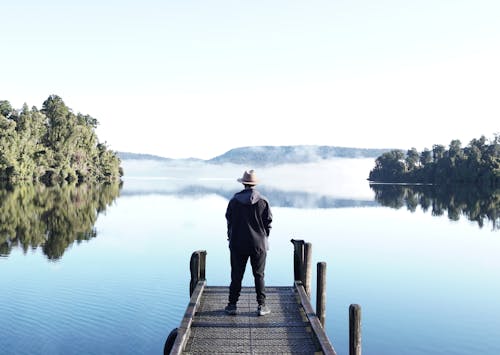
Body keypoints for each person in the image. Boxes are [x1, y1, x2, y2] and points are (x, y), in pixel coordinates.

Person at [224, 169, 273, 316]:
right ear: (254, 184)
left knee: (236, 275)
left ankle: (232, 305)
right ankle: (262, 306)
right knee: (259, 275)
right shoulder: (263, 201)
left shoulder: (234, 201)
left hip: (238, 243)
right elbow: (268, 223)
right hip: (259, 245)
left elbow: (229, 221)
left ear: (243, 184)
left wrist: (230, 236)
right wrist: (264, 237)